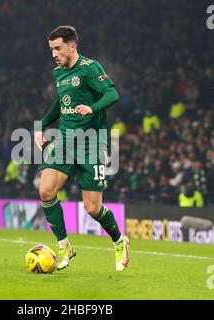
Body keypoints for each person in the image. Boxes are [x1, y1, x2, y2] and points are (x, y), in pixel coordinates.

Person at [35, 25, 130, 271]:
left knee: (92, 208)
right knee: (46, 190)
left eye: (58, 48)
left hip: (92, 142)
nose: (54, 54)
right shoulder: (58, 74)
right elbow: (60, 103)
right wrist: (41, 125)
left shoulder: (90, 68)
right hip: (65, 140)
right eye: (51, 50)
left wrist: (93, 107)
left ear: (72, 45)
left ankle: (120, 241)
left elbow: (112, 93)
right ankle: (64, 245)